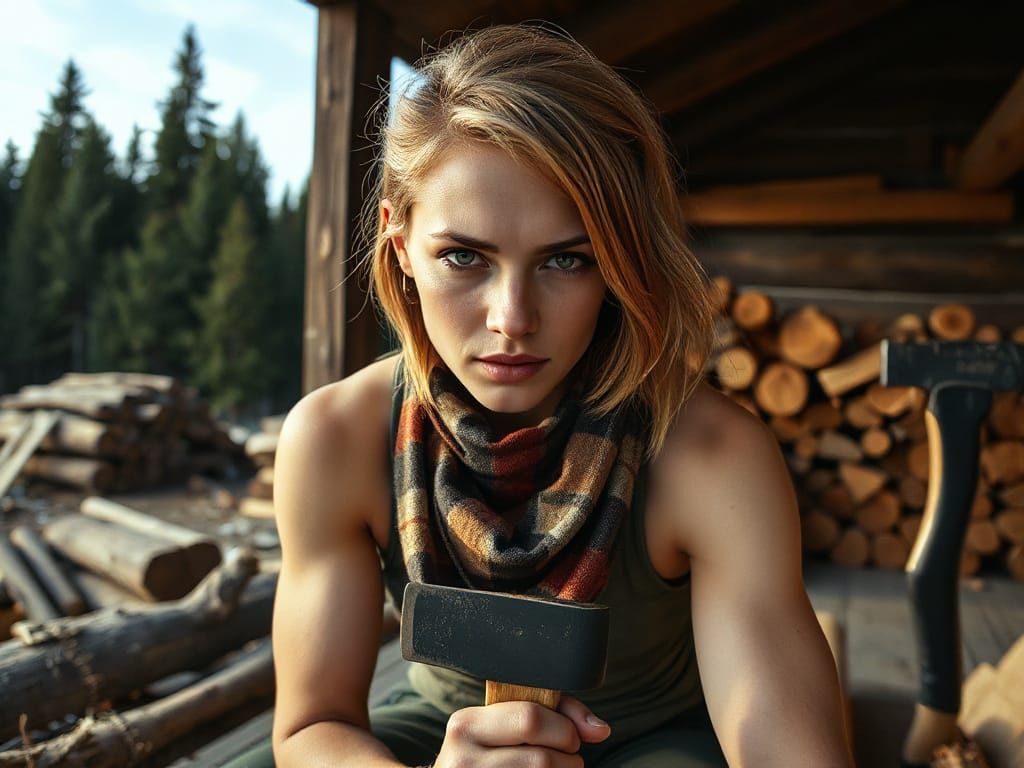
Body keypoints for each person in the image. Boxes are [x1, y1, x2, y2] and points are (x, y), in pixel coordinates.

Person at [235, 23, 854, 768]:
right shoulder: (337, 438)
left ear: (620, 263)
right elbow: (308, 730)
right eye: (464, 256)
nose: (511, 320)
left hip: (656, 746)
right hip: (437, 741)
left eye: (566, 260)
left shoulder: (708, 456)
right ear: (401, 247)